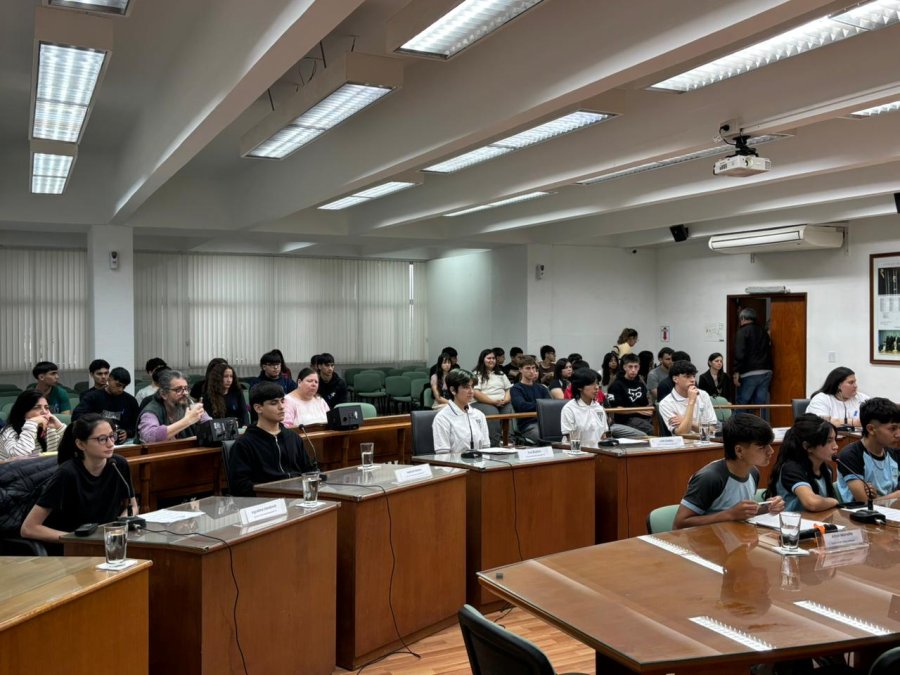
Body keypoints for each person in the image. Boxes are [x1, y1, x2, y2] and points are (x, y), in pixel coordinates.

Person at [20, 414, 137, 547]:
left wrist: (119, 527)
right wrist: (74, 539)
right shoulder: (67, 473)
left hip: (106, 542)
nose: (111, 444)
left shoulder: (118, 464)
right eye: (102, 439)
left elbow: (132, 506)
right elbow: (28, 528)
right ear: (81, 444)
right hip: (72, 548)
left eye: (112, 436)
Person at [673, 415, 784, 529]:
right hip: (706, 543)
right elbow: (679, 524)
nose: (771, 451)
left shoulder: (753, 473)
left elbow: (741, 515)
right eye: (762, 447)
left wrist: (767, 508)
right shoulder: (710, 478)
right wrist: (730, 514)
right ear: (739, 450)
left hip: (736, 540)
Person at [228, 382, 316, 497]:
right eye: (274, 403)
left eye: (282, 401)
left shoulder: (293, 438)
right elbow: (240, 486)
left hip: (299, 498)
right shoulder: (244, 444)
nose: (281, 407)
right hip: (267, 504)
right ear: (258, 408)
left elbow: (308, 471)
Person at [766, 414, 839, 512]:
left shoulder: (826, 469)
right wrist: (834, 501)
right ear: (808, 446)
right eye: (828, 441)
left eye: (835, 439)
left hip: (816, 523)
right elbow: (811, 503)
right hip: (791, 525)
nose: (836, 446)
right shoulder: (791, 469)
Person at [836, 397, 900, 503]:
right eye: (892, 429)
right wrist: (896, 496)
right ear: (871, 429)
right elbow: (864, 502)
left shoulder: (894, 453)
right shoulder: (851, 455)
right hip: (855, 516)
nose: (898, 434)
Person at [137, 369, 210, 443]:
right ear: (163, 394)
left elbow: (213, 427)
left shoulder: (189, 405)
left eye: (186, 388)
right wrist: (187, 420)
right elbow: (150, 436)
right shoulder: (151, 411)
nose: (185, 393)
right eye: (178, 390)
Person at [72, 367, 140, 441]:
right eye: (118, 385)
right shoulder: (92, 397)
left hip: (122, 441)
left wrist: (128, 432)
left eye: (124, 386)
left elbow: (136, 424)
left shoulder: (130, 401)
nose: (121, 389)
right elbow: (77, 417)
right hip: (97, 438)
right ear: (109, 379)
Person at [433, 369, 490, 453]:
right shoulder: (442, 418)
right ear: (453, 390)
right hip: (454, 465)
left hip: (479, 463)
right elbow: (443, 455)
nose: (471, 391)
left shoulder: (479, 415)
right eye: (466, 387)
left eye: (472, 387)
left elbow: (486, 448)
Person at [0, 390, 66, 459]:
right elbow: (19, 459)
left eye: (46, 408)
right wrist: (31, 423)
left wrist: (60, 427)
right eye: (37, 407)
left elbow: (74, 448)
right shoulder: (8, 432)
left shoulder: (50, 430)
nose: (44, 412)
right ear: (23, 411)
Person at [658, 360, 718, 436]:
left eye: (693, 376)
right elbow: (682, 433)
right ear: (675, 379)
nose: (693, 380)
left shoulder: (703, 395)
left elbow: (712, 430)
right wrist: (691, 402)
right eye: (687, 376)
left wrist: (685, 420)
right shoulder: (665, 403)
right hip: (683, 445)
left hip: (706, 442)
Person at [733, 308, 773, 417]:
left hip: (750, 372)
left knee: (742, 403)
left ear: (743, 318)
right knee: (761, 404)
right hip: (766, 371)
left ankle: (738, 428)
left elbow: (739, 353)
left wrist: (736, 372)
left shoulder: (742, 331)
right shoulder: (763, 332)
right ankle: (762, 429)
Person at [472, 348, 513, 446]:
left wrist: (505, 400)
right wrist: (493, 402)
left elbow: (508, 389)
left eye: (493, 358)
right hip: (481, 402)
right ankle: (494, 442)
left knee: (509, 409)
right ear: (483, 359)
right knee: (492, 411)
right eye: (488, 358)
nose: (492, 360)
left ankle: (509, 440)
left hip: (501, 402)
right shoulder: (476, 374)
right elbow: (476, 393)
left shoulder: (501, 373)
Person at [606, 353, 653, 435]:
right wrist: (638, 410)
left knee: (663, 425)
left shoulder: (640, 384)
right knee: (652, 429)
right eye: (630, 367)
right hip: (625, 420)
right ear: (624, 367)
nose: (633, 370)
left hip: (643, 417)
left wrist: (648, 409)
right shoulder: (616, 385)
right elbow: (616, 409)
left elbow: (646, 404)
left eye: (636, 367)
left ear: (639, 367)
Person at [560, 368, 608, 447]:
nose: (597, 387)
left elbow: (603, 436)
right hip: (577, 454)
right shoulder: (569, 409)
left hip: (597, 454)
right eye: (592, 384)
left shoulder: (599, 408)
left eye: (597, 383)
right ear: (579, 387)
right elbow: (572, 441)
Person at [510, 356, 551, 442]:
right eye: (528, 368)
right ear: (520, 370)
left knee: (563, 435)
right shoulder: (516, 389)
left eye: (533, 368)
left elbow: (549, 405)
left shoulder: (542, 388)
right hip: (528, 425)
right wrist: (541, 404)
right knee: (546, 438)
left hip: (545, 423)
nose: (532, 371)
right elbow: (521, 406)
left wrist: (538, 405)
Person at [202, 362, 248, 426]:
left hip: (238, 427)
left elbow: (244, 413)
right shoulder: (208, 396)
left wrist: (245, 426)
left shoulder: (237, 392)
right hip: (219, 430)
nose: (229, 380)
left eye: (231, 376)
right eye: (225, 376)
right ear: (218, 378)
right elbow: (210, 420)